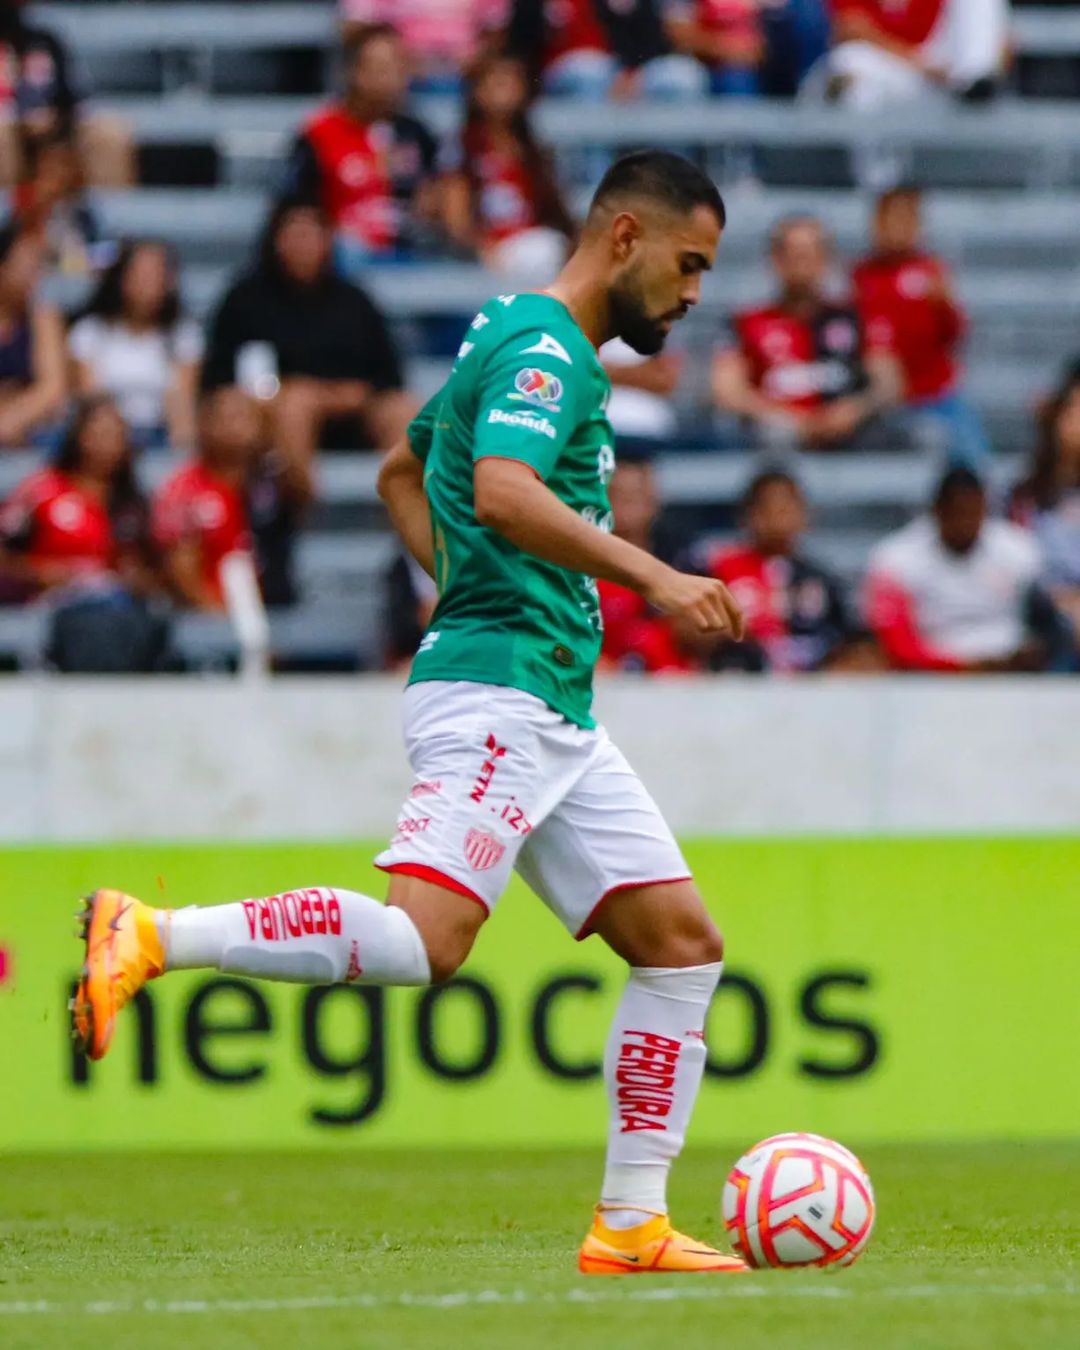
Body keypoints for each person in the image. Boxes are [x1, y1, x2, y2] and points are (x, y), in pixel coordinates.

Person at [72, 150, 753, 1278]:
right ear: (625, 237)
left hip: (546, 702)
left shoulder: (506, 333)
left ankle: (630, 1222)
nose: (692, 294)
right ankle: (151, 935)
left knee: (681, 949)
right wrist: (657, 577)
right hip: (503, 697)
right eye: (688, 265)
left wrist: (479, 589)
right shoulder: (548, 353)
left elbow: (403, 469)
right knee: (421, 945)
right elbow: (502, 490)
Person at [202, 199, 415, 462]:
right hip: (275, 413)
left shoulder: (355, 301)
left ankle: (403, 487)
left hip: (352, 413)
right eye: (295, 234)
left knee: (403, 411)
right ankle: (301, 487)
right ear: (276, 240)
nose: (303, 245)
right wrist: (292, 393)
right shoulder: (244, 301)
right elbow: (220, 377)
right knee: (296, 407)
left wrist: (340, 396)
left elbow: (389, 375)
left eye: (311, 234)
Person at [712, 215, 901, 453]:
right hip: (777, 437)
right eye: (794, 254)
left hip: (850, 434)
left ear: (826, 259)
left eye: (812, 253)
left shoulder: (857, 318)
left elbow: (889, 385)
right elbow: (727, 392)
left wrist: (854, 410)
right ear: (776, 259)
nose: (803, 264)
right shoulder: (745, 323)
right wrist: (788, 419)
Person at [865, 467, 1067, 673]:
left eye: (974, 512)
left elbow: (1048, 619)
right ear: (937, 510)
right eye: (958, 512)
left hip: (1009, 667)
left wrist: (1034, 651)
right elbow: (896, 640)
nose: (966, 522)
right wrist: (960, 666)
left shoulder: (1018, 549)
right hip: (930, 672)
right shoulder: (897, 559)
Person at [853, 187, 989, 467]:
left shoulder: (931, 273)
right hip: (881, 400)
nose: (898, 228)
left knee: (971, 454)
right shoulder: (860, 277)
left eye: (906, 219)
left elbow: (954, 335)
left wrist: (945, 305)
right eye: (891, 218)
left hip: (935, 394)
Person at [283, 23, 440, 266]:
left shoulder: (417, 134)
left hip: (410, 251)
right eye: (379, 67)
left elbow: (436, 197)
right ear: (353, 71)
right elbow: (299, 206)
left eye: (398, 67)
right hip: (341, 256)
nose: (389, 78)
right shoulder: (319, 133)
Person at [152, 386, 311, 611]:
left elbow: (306, 495)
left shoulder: (272, 481)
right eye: (226, 417)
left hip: (276, 606)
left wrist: (278, 427)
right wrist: (219, 616)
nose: (235, 427)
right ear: (206, 425)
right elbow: (181, 568)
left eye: (245, 417)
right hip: (214, 614)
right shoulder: (184, 489)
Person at [697, 469, 856, 672]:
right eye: (768, 507)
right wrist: (728, 630)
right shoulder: (718, 570)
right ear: (748, 514)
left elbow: (845, 642)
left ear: (804, 514)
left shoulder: (821, 580)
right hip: (737, 680)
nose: (778, 515)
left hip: (809, 684)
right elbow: (688, 631)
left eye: (787, 506)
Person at [0, 394, 150, 601]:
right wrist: (41, 573)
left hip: (116, 606)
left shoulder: (133, 502)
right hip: (45, 604)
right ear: (78, 436)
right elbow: (4, 555)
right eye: (100, 434)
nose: (109, 444)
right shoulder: (40, 491)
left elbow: (150, 568)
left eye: (118, 435)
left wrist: (136, 578)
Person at [439, 53, 574, 282]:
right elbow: (456, 217)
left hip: (531, 244)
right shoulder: (462, 148)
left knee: (553, 247)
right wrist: (479, 248)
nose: (504, 91)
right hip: (489, 250)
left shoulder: (534, 150)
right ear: (477, 91)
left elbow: (554, 210)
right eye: (496, 82)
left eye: (511, 83)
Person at [68, 240, 202, 451]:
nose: (147, 283)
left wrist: (182, 449)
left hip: (160, 433)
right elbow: (90, 399)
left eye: (156, 275)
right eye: (139, 274)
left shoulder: (184, 335)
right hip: (103, 435)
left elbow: (182, 402)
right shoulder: (89, 332)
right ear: (121, 278)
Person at [0, 0, 134, 188]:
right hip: (9, 130)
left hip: (53, 128)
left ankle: (111, 205)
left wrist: (55, 118)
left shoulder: (43, 41)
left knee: (109, 131)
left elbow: (75, 98)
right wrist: (19, 116)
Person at [804, 0, 1010, 109]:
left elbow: (1003, 43)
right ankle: (876, 175)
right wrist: (921, 65)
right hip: (896, 67)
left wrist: (990, 62)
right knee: (850, 61)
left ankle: (974, 77)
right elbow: (850, 29)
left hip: (944, 69)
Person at [598, 456, 698, 673]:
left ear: (653, 502)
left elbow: (707, 635)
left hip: (676, 680)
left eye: (635, 497)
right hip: (604, 679)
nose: (626, 506)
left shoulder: (683, 564)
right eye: (617, 496)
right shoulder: (580, 574)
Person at [507, 0, 708, 101]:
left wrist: (630, 72)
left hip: (633, 69)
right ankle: (592, 168)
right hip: (560, 75)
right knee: (589, 73)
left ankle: (670, 166)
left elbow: (654, 35)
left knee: (683, 75)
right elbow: (525, 37)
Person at [1011, 368, 1080, 647]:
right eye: (1073, 409)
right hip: (1039, 618)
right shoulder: (1021, 495)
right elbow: (1011, 560)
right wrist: (1061, 600)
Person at [339, 0, 507, 94]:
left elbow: (497, 33)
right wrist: (398, 55)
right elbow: (351, 29)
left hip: (467, 82)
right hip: (399, 83)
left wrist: (474, 61)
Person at [0, 220, 67, 449]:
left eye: (37, 266)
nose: (35, 275)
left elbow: (52, 389)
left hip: (27, 432)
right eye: (27, 266)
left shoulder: (43, 319)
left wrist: (8, 422)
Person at [666, 0, 766, 97]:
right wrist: (727, 49)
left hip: (738, 71)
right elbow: (683, 38)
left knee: (737, 77)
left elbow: (757, 47)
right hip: (694, 64)